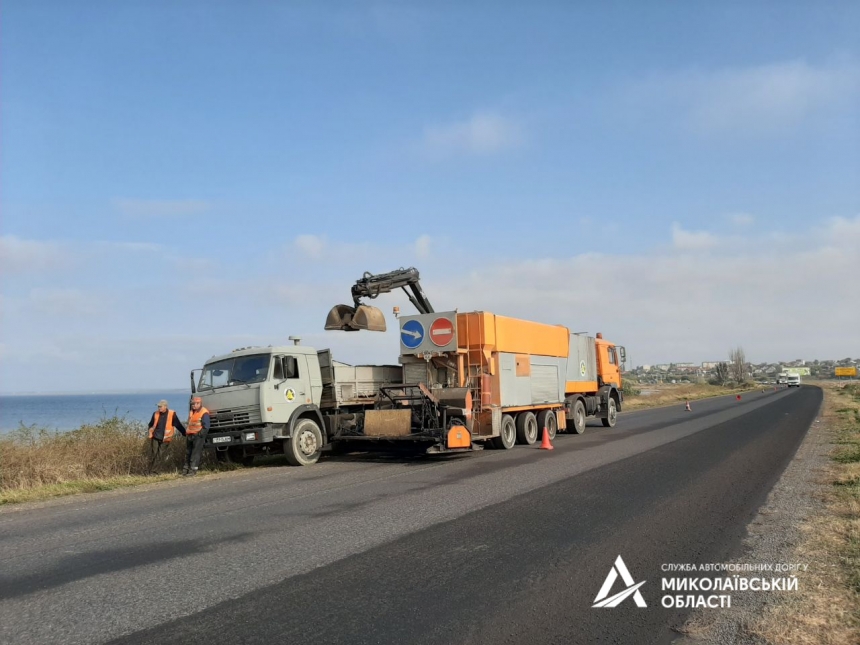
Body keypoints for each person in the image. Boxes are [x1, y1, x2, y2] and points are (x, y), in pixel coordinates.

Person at [146, 400, 186, 473]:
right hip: (155, 437)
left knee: (159, 455)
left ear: (165, 406)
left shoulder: (172, 414)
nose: (159, 408)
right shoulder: (155, 414)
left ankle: (154, 471)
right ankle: (151, 471)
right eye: (158, 406)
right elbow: (150, 424)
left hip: (166, 439)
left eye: (160, 406)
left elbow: (178, 425)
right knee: (154, 454)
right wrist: (150, 431)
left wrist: (185, 433)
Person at [184, 396, 211, 476]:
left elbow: (206, 426)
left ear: (199, 403)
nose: (193, 405)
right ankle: (186, 470)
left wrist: (199, 435)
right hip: (190, 435)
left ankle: (193, 470)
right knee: (188, 453)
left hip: (197, 436)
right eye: (192, 404)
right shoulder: (192, 412)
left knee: (195, 453)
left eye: (194, 404)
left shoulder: (204, 412)